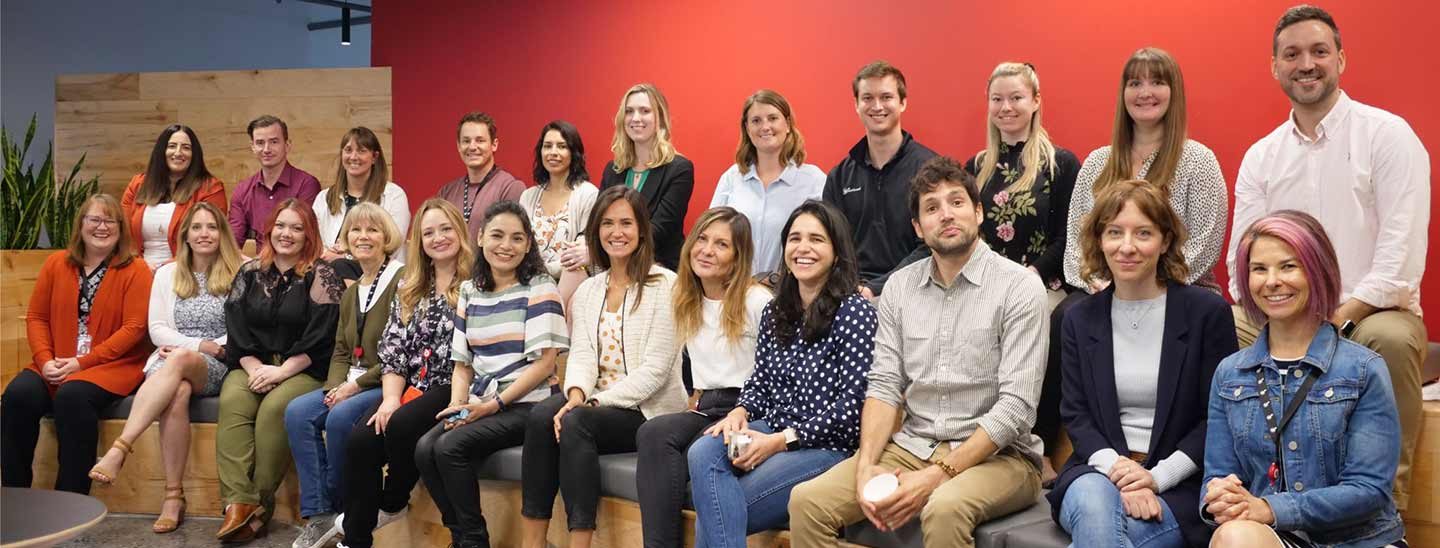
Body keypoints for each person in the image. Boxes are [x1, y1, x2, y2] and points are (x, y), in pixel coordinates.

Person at [1226, 5, 1430, 511]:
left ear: (1341, 58)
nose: (1306, 64)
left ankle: (1384, 509)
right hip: (1280, 310)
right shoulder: (1262, 156)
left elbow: (1399, 264)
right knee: (1216, 323)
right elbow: (1241, 263)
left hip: (1370, 313)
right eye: (1292, 54)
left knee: (1391, 339)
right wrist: (1283, 314)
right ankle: (1242, 494)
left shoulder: (1388, 136)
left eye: (1319, 51)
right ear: (1275, 67)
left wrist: (1334, 320)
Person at [789, 156, 1048, 548]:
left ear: (979, 212)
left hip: (1002, 458)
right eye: (931, 208)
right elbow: (884, 386)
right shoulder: (899, 288)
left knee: (943, 508)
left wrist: (937, 475)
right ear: (917, 227)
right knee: (807, 502)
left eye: (956, 202)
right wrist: (866, 465)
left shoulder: (1019, 288)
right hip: (913, 445)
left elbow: (1015, 408)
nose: (946, 214)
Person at [1048, 180, 1237, 548]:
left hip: (1179, 483)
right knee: (1094, 506)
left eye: (1143, 233)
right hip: (1095, 471)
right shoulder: (1079, 318)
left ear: (1165, 241)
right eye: (1114, 232)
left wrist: (1156, 478)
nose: (1127, 246)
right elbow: (1076, 413)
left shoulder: (1207, 314)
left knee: (1108, 535)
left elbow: (1217, 418)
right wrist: (1120, 472)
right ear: (1100, 240)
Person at [1204, 210, 1408, 548]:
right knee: (1233, 535)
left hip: (1359, 541)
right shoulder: (1229, 374)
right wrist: (1219, 496)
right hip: (1275, 537)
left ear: (1317, 270)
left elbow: (1369, 489)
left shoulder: (1363, 369)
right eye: (1259, 269)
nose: (1272, 281)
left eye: (1288, 266)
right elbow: (1217, 474)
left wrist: (1270, 508)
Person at [689, 201, 875, 547]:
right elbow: (760, 380)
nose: (803, 248)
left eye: (816, 239)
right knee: (702, 452)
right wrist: (741, 411)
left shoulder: (854, 312)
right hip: (769, 428)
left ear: (836, 252)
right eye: (795, 238)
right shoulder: (776, 309)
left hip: (824, 446)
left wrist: (781, 441)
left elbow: (852, 410)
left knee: (715, 511)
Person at [520, 186, 687, 548]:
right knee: (541, 417)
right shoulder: (589, 290)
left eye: (626, 223)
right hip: (595, 400)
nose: (616, 232)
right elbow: (581, 355)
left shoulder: (667, 285)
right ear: (596, 230)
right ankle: (533, 542)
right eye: (608, 223)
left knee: (576, 421)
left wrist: (592, 403)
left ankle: (580, 543)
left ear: (642, 230)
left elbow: (656, 371)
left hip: (647, 410)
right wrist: (576, 395)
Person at [416, 200, 567, 548]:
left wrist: (492, 405)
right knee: (424, 449)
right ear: (481, 237)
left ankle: (473, 540)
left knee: (449, 447)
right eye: (497, 235)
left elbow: (545, 365)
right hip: (482, 402)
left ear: (528, 245)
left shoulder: (540, 286)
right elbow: (462, 364)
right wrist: (457, 407)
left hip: (528, 404)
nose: (506, 246)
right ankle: (462, 535)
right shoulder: (470, 290)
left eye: (517, 238)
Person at [85, 202, 242, 534]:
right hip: (172, 361)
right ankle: (173, 496)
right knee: (178, 392)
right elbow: (157, 329)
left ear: (222, 233)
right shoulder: (167, 273)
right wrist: (197, 345)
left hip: (218, 362)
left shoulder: (240, 271)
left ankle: (120, 448)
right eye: (196, 227)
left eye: (211, 227)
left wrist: (204, 348)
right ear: (185, 235)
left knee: (180, 361)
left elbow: (243, 328)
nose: (204, 234)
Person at [334, 201, 481, 548]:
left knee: (400, 425)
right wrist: (389, 399)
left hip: (457, 384)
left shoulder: (477, 284)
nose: (438, 238)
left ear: (460, 232)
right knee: (361, 440)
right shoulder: (410, 287)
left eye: (445, 229)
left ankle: (394, 500)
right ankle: (355, 540)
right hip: (413, 384)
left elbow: (474, 354)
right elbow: (394, 350)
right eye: (428, 233)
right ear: (420, 241)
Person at [964, 61, 1081, 483]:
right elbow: (969, 237)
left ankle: (1039, 445)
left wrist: (1029, 277)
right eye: (997, 99)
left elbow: (1068, 235)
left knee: (1039, 331)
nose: (1006, 107)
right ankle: (973, 439)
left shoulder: (1060, 163)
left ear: (1035, 102)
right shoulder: (976, 166)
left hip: (1042, 283)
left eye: (1016, 97)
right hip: (985, 283)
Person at [635, 207, 773, 548]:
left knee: (699, 453)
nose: (707, 250)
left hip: (751, 414)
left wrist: (746, 411)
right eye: (702, 239)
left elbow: (776, 374)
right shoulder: (687, 300)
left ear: (738, 257)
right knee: (653, 432)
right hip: (707, 408)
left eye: (721, 245)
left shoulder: (758, 301)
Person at [1, 195, 152, 495]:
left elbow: (134, 328)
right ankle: (14, 495)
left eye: (110, 221)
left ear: (121, 228)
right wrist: (45, 360)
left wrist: (81, 363)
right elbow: (37, 317)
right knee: (17, 395)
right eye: (94, 219)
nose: (102, 227)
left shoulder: (136, 270)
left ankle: (71, 499)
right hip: (56, 361)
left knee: (72, 396)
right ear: (81, 224)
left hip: (112, 365)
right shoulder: (56, 263)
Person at [217, 199, 345, 541]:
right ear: (269, 229)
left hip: (303, 368)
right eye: (281, 226)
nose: (287, 234)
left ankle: (258, 506)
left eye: (297, 228)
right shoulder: (248, 272)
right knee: (232, 400)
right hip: (252, 362)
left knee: (275, 408)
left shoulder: (322, 274)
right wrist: (254, 366)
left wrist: (281, 372)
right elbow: (236, 326)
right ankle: (237, 504)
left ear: (309, 234)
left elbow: (323, 337)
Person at [284, 203, 405, 548]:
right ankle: (320, 513)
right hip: (350, 380)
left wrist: (353, 387)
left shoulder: (401, 280)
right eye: (355, 230)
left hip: (386, 380)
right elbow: (340, 349)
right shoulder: (351, 290)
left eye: (372, 230)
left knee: (339, 419)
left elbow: (402, 352)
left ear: (386, 237)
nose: (363, 237)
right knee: (297, 412)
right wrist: (334, 387)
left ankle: (346, 508)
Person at [1062, 47, 1227, 294]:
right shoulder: (1096, 163)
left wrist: (1146, 288)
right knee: (1066, 313)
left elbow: (1205, 245)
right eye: (1135, 83)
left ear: (1174, 92)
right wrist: (1103, 287)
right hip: (1102, 292)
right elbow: (1077, 244)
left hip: (1180, 290)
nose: (1145, 92)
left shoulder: (1198, 161)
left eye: (1157, 82)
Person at [822, 61, 938, 299]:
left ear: (902, 102)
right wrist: (852, 291)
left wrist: (877, 288)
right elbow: (829, 243)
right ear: (856, 105)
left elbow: (933, 243)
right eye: (867, 98)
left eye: (886, 97)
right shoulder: (839, 177)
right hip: (853, 296)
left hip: (918, 294)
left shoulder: (931, 170)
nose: (877, 106)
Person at [710, 90, 825, 276]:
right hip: (735, 288)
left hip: (791, 289)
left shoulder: (813, 180)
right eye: (756, 121)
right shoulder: (731, 178)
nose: (765, 127)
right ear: (747, 129)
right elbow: (711, 235)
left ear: (787, 124)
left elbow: (826, 243)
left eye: (772, 118)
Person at [599, 83, 695, 271]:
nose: (636, 118)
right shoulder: (613, 169)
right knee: (573, 267)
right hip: (613, 259)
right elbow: (599, 219)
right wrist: (586, 245)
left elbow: (660, 230)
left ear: (660, 118)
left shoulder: (679, 169)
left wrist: (612, 249)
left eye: (645, 111)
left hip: (658, 263)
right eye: (629, 111)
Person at [121, 124, 228, 270]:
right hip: (140, 269)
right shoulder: (138, 184)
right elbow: (123, 233)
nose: (178, 152)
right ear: (161, 151)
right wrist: (140, 266)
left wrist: (165, 268)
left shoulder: (211, 188)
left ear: (194, 154)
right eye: (172, 146)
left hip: (187, 270)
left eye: (186, 148)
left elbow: (209, 239)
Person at [519, 120, 599, 306]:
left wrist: (543, 272)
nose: (553, 152)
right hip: (529, 281)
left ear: (574, 153)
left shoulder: (588, 194)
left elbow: (579, 255)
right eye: (547, 146)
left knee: (573, 270)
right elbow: (520, 245)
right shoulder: (528, 196)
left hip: (570, 281)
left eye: (562, 146)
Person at [314, 127, 411, 264]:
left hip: (381, 272)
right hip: (330, 271)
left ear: (374, 157)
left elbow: (393, 244)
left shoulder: (394, 195)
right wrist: (329, 255)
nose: (353, 157)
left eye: (361, 151)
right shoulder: (323, 198)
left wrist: (346, 258)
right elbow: (315, 243)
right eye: (348, 150)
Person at [230, 115, 323, 247]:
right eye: (260, 143)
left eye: (274, 142)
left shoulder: (306, 185)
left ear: (287, 145)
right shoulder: (242, 190)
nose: (266, 149)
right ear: (253, 147)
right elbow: (233, 242)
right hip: (257, 260)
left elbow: (306, 238)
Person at [437, 112, 527, 242]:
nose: (472, 147)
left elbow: (510, 241)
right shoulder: (446, 192)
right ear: (458, 146)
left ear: (494, 144)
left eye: (480, 140)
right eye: (466, 141)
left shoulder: (510, 188)